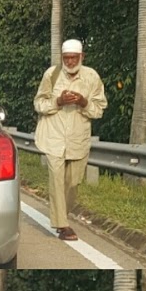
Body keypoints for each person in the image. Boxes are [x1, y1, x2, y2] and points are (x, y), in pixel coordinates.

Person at [34, 38, 107, 241]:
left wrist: (83, 102)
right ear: (62, 57)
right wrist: (58, 101)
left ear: (82, 56)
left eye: (74, 58)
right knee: (56, 179)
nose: (71, 62)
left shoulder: (92, 77)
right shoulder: (52, 74)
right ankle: (62, 225)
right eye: (67, 58)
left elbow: (99, 109)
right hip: (53, 136)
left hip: (78, 139)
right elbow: (39, 103)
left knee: (73, 182)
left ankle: (62, 215)